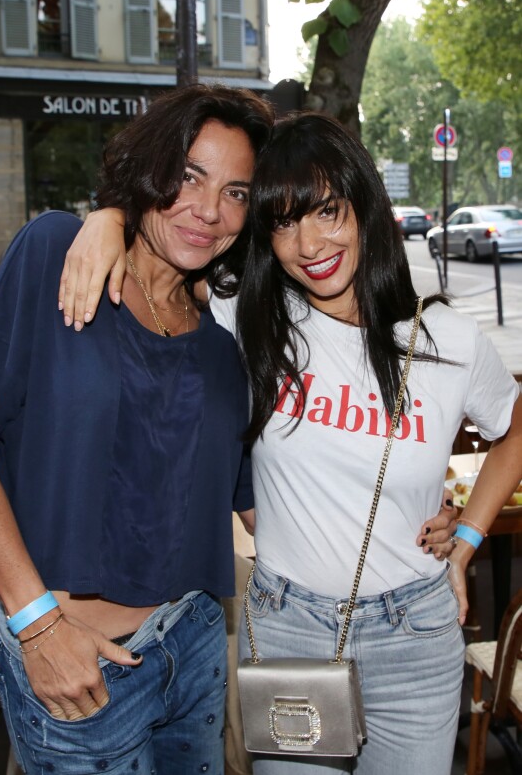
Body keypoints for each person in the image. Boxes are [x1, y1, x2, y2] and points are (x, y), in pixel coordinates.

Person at [54, 111, 505, 774]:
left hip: (416, 637)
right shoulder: (252, 317)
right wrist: (107, 217)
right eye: (284, 221)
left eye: (326, 211)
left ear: (364, 208)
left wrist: (468, 536)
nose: (308, 242)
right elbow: (175, 239)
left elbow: (515, 423)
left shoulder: (446, 341)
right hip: (289, 627)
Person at [0, 83, 276, 775]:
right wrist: (35, 626)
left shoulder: (220, 350)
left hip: (194, 645)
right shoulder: (59, 252)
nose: (210, 210)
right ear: (151, 168)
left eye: (237, 192)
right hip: (78, 665)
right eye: (189, 176)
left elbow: (254, 503)